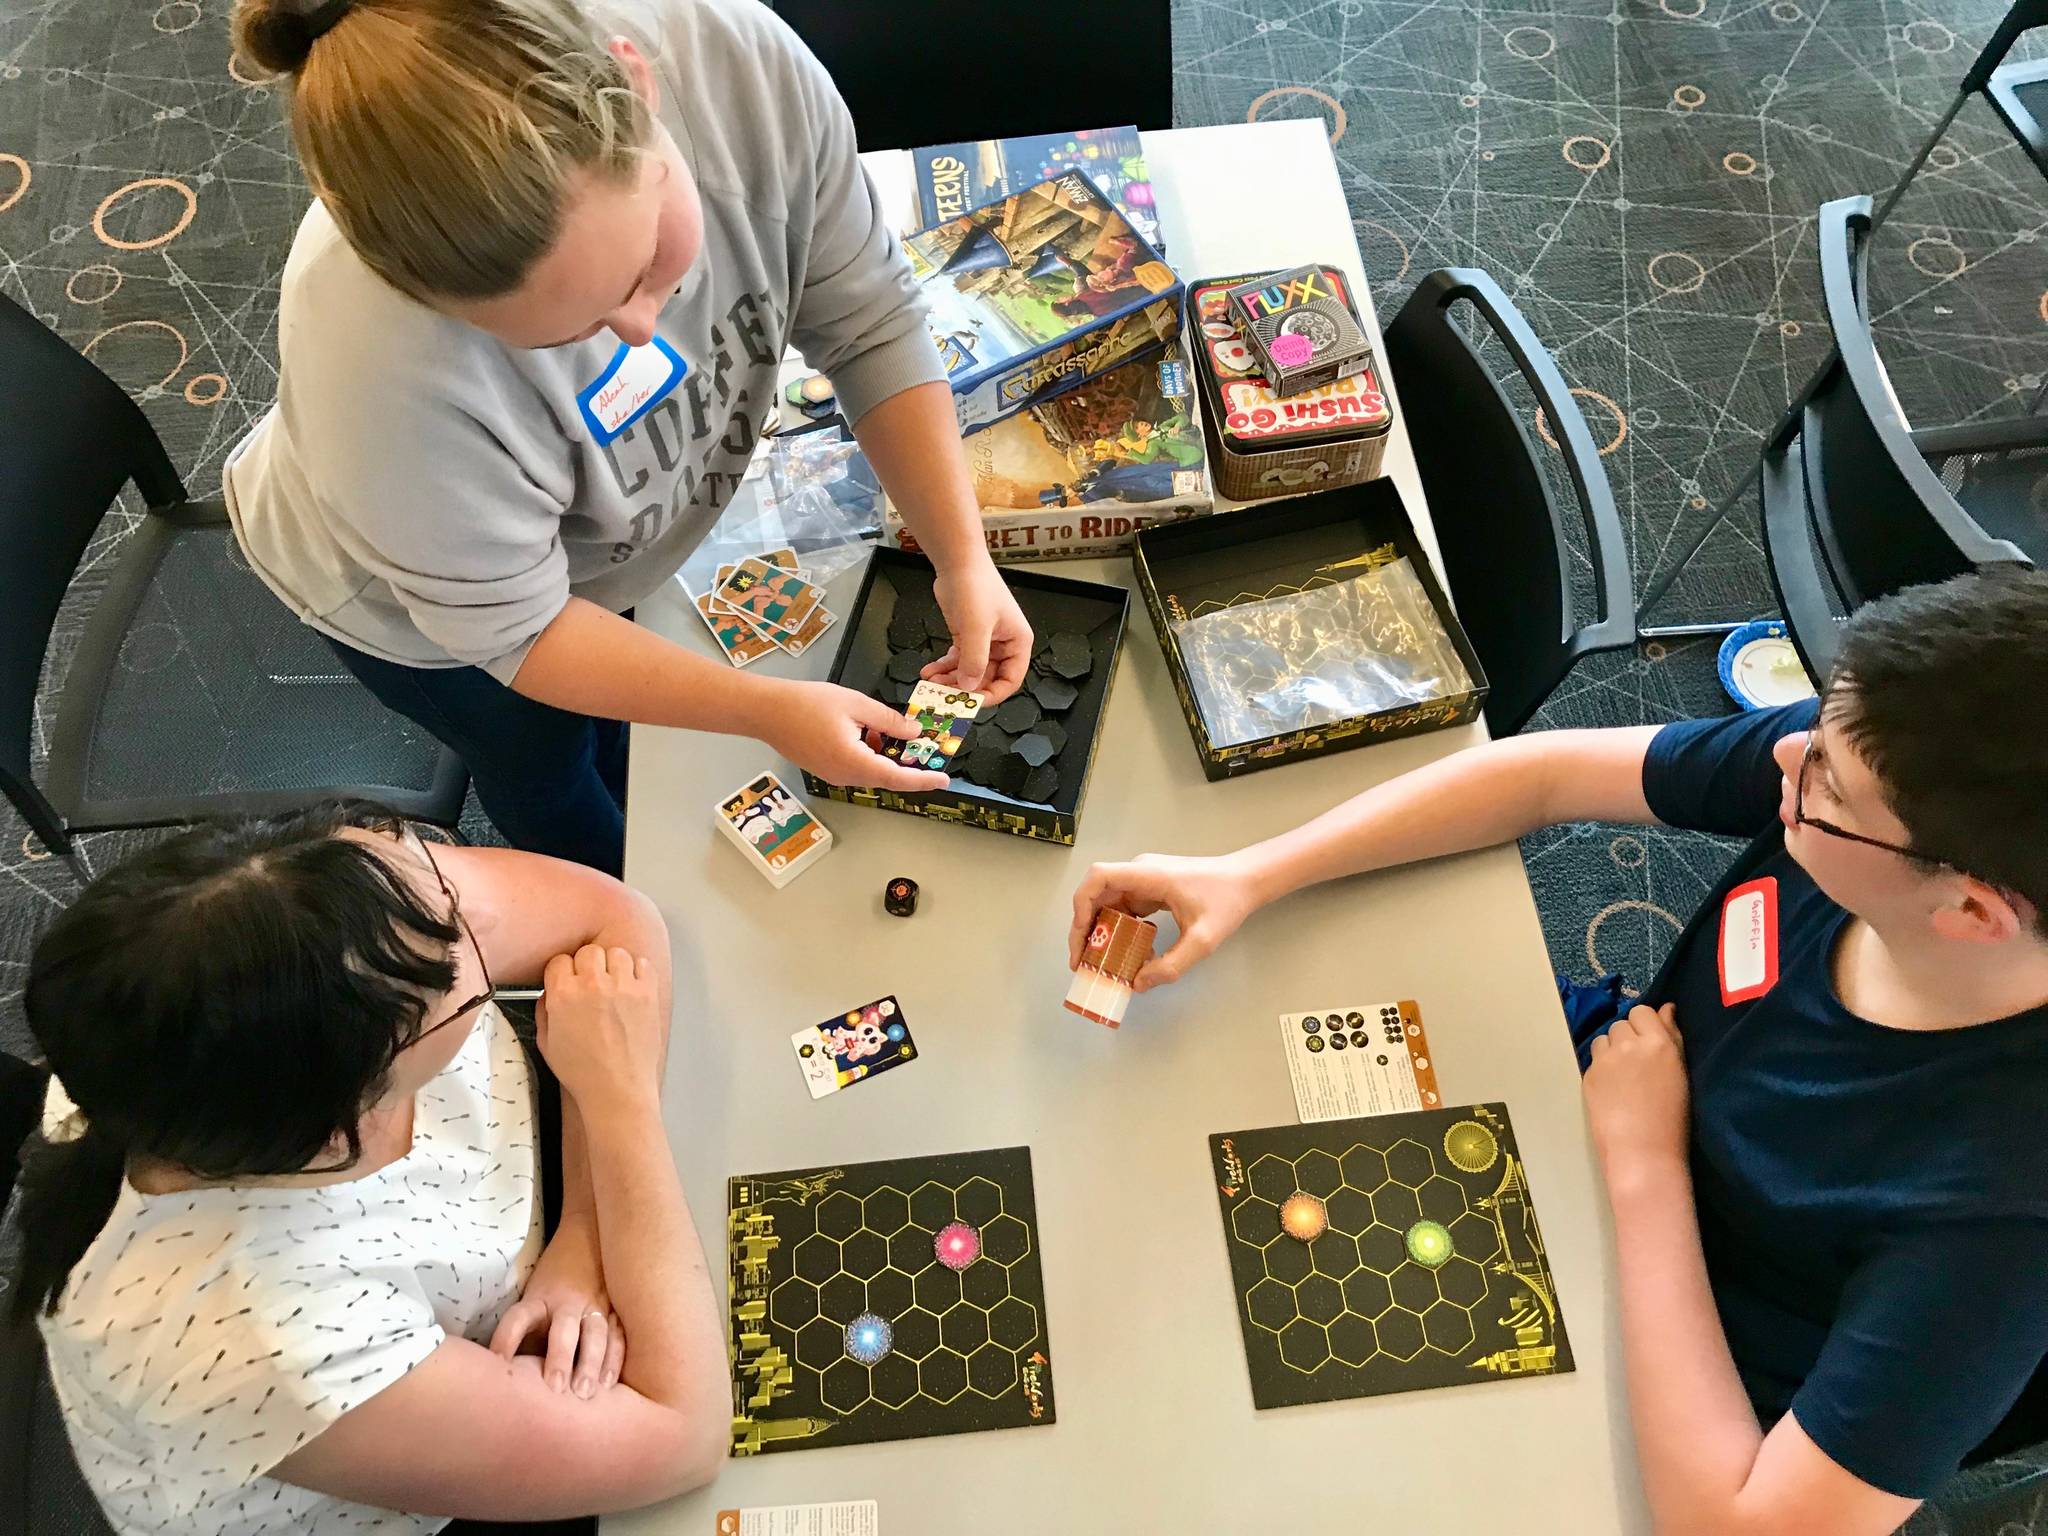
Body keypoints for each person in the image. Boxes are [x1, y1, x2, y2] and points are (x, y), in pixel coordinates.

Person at [1068, 569, 2048, 1534]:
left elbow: (1741, 1524)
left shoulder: (1998, 1228)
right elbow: (1538, 777)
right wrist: (1247, 874)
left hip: (1680, 1349)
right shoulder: (1873, 770)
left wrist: (1643, 1164)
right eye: (1810, 728)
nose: (1780, 758)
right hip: (1613, 1084)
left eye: (1821, 781)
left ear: (1968, 910)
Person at [223, 0, 1033, 876]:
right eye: (562, 336)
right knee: (543, 766)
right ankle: (599, 871)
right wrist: (760, 708)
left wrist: (962, 557)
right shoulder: (374, 372)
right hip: (419, 614)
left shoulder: (737, 59)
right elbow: (521, 633)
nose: (644, 331)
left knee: (616, 718)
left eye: (645, 265)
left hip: (585, 549)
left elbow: (870, 318)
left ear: (638, 84)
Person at [14, 803, 728, 1534]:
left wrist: (583, 1234)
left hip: (506, 1261)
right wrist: (620, 1100)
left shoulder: (330, 907)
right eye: (457, 989)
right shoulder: (270, 1341)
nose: (473, 933)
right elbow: (685, 1436)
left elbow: (611, 918)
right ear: (347, 1127)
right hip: (396, 1445)